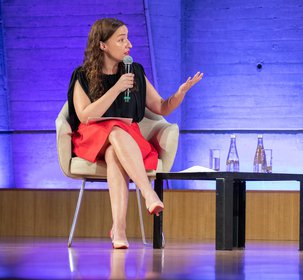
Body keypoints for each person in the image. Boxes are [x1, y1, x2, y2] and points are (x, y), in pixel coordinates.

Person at [67, 18, 203, 249]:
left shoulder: (135, 71)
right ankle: (148, 193)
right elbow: (84, 115)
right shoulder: (82, 75)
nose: (129, 44)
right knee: (115, 130)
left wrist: (180, 94)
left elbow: (161, 107)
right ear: (102, 45)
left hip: (125, 140)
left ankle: (119, 229)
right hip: (92, 137)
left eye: (128, 38)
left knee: (114, 152)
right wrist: (117, 88)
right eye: (121, 40)